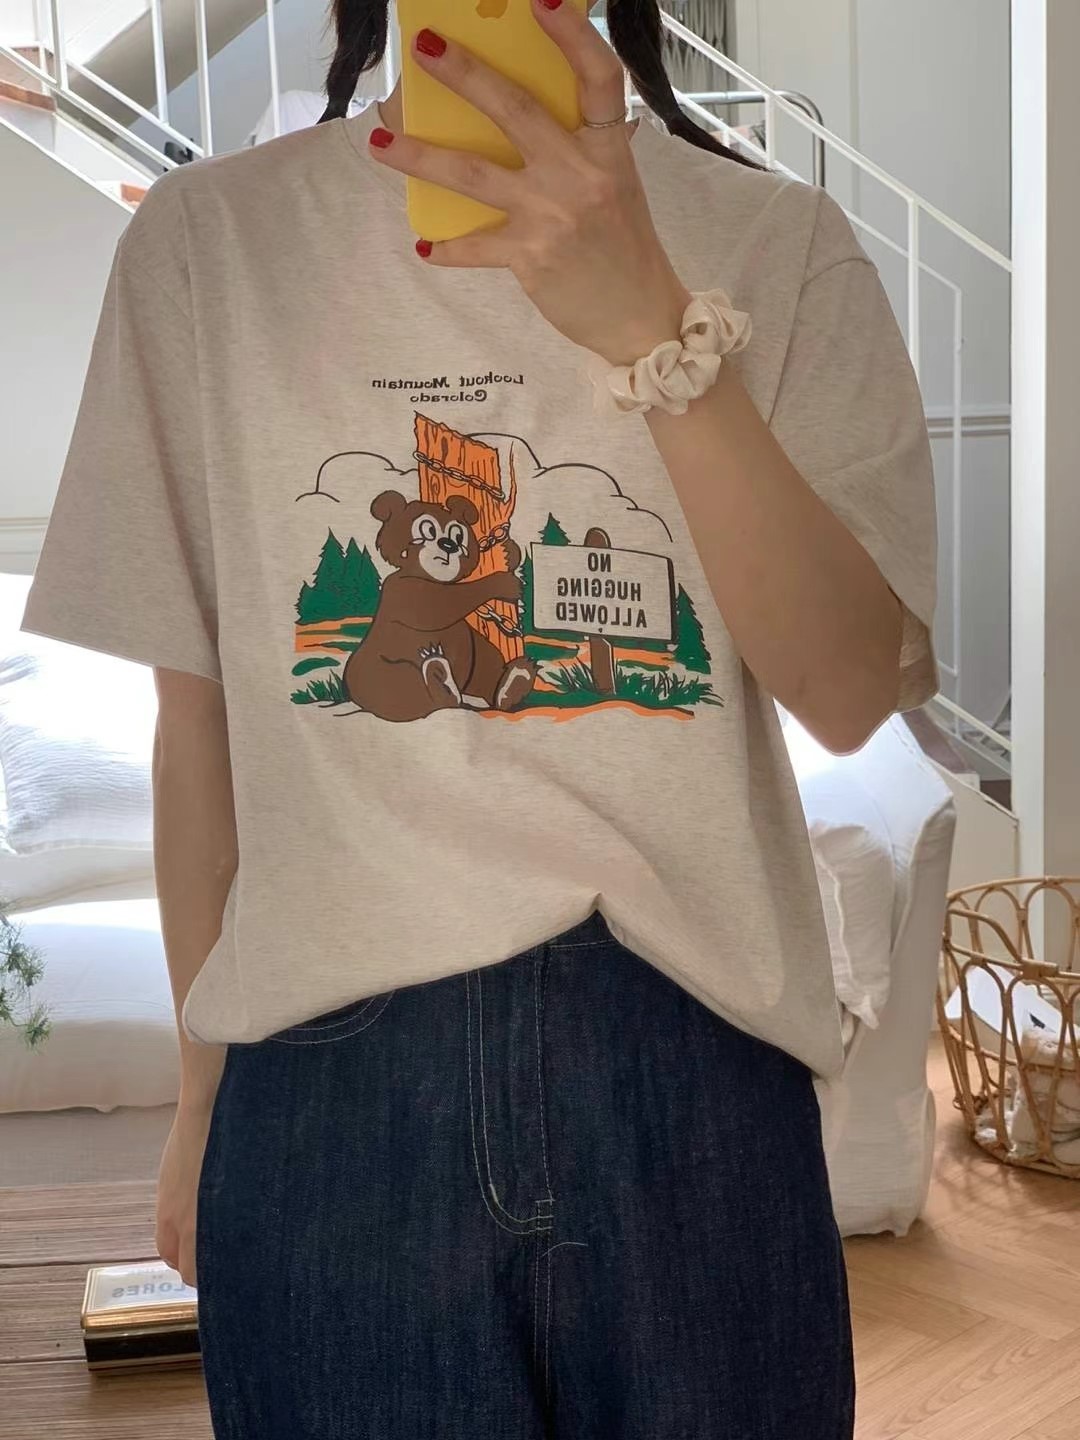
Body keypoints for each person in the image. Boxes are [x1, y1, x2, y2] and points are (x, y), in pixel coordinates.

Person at [21, 0, 938, 1434]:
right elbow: (200, 729)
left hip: (694, 1055)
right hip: (330, 1087)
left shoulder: (778, 239)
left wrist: (652, 326)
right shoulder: (211, 244)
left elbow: (848, 690)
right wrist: (200, 1106)